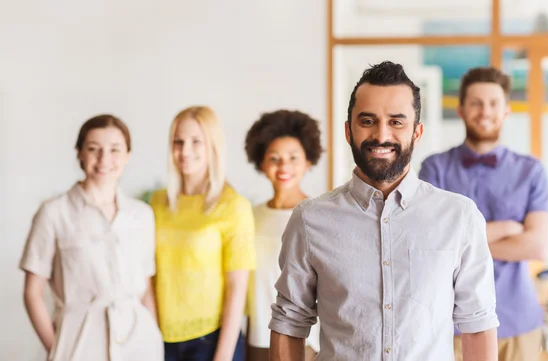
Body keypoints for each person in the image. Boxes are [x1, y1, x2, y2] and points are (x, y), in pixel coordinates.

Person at [268, 61, 499, 361]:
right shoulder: (310, 220)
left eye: (396, 122)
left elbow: (478, 324)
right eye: (367, 121)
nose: (381, 135)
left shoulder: (460, 217)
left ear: (417, 132)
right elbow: (289, 322)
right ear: (348, 131)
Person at [419, 66, 548, 361]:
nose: (485, 111)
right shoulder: (434, 168)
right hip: (450, 324)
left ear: (506, 111)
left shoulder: (531, 171)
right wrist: (507, 228)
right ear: (462, 110)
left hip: (518, 323)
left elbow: (538, 246)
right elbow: (430, 245)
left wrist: (463, 246)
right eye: (476, 103)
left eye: (493, 103)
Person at [20, 114, 163, 361]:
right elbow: (32, 292)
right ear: (79, 153)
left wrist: (155, 338)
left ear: (128, 155)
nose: (104, 159)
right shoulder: (54, 213)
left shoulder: (141, 215)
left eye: (115, 150)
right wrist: (56, 348)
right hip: (78, 342)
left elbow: (145, 288)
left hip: (138, 342)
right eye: (93, 149)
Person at [149, 106, 256, 361]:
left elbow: (237, 287)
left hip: (211, 341)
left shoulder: (232, 206)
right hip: (161, 339)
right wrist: (151, 338)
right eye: (178, 141)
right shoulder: (157, 203)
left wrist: (222, 356)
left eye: (196, 141)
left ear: (213, 146)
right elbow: (148, 276)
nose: (185, 151)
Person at [244, 110, 323, 361]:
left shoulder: (319, 215)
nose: (284, 166)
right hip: (254, 338)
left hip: (305, 342)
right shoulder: (248, 216)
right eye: (274, 158)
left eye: (293, 157)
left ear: (308, 161)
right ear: (262, 163)